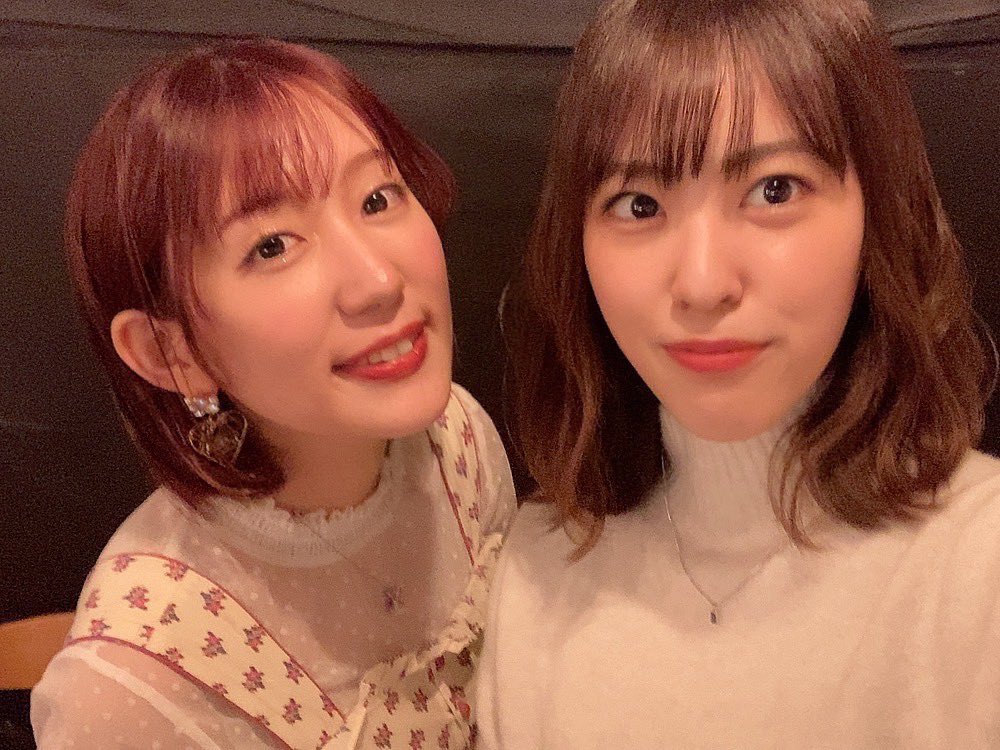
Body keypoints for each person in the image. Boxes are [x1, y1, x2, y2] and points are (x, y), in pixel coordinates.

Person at [477, 0, 1000, 747]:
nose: (702, 284)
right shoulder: (539, 571)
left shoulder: (979, 567)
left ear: (878, 211)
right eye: (638, 204)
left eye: (774, 190)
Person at [31, 38, 514, 749]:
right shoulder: (130, 687)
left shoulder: (459, 443)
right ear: (170, 352)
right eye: (272, 246)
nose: (379, 281)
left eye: (377, 198)